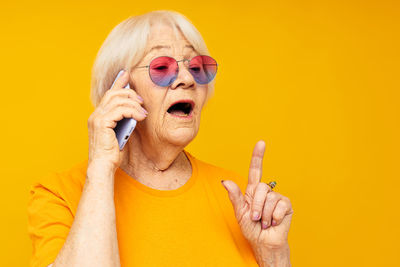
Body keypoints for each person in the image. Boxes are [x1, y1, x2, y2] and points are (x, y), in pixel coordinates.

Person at [28, 10, 294, 267]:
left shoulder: (238, 197)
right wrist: (100, 171)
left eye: (197, 67)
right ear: (121, 91)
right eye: (162, 67)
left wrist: (273, 256)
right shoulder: (59, 195)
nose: (187, 79)